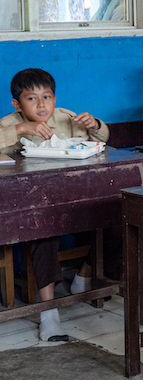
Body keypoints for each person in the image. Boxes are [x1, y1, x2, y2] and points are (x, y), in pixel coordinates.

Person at [0, 68, 110, 341]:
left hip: (73, 198)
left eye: (47, 97)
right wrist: (21, 129)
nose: (41, 105)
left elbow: (100, 142)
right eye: (32, 99)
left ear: (55, 98)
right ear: (17, 104)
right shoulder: (8, 123)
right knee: (44, 233)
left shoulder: (65, 117)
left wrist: (95, 124)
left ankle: (83, 278)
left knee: (119, 218)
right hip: (32, 206)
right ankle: (49, 314)